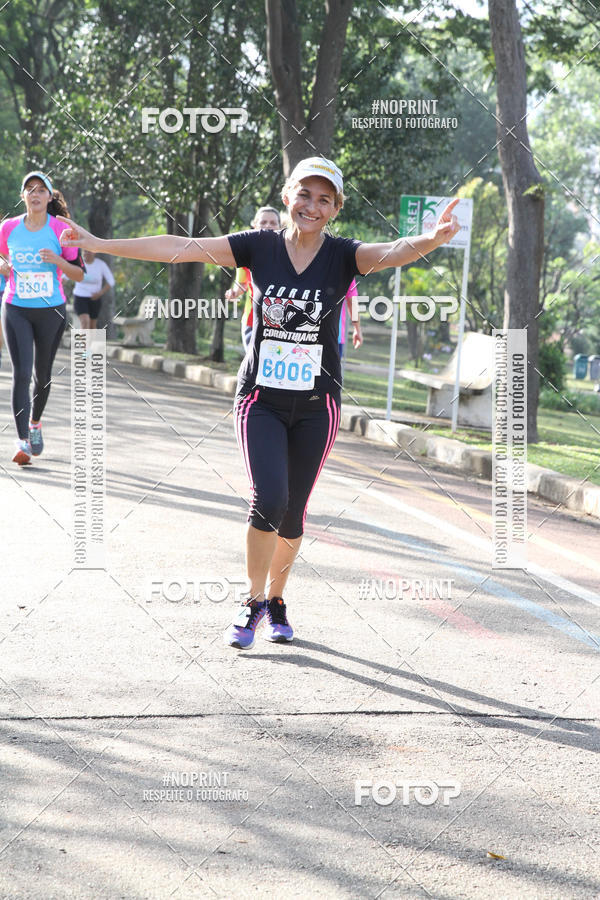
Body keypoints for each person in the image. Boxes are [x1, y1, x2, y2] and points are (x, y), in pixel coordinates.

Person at [57, 156, 460, 648]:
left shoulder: (342, 256)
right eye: (305, 194)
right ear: (288, 195)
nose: (313, 205)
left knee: (293, 514)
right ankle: (252, 602)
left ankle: (277, 599)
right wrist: (98, 244)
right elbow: (181, 248)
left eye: (324, 199)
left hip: (317, 405)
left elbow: (394, 251)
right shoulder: (258, 246)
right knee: (269, 499)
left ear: (335, 208)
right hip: (260, 402)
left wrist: (432, 240)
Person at [0, 171, 84, 465]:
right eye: (29, 190)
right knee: (21, 373)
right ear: (23, 196)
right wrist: (3, 266)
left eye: (40, 190)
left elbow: (79, 273)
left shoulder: (62, 229)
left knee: (42, 377)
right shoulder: (8, 228)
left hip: (51, 310)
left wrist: (58, 260)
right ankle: (22, 440)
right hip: (16, 307)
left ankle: (36, 422)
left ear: (50, 197)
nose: (34, 194)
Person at [225, 206, 281, 350]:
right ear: (254, 226)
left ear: (280, 227)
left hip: (281, 323)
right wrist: (234, 292)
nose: (268, 226)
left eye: (273, 223)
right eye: (263, 222)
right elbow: (242, 283)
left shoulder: (289, 254)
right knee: (254, 366)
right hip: (252, 321)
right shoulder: (245, 255)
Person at [72, 249, 115, 329]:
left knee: (92, 326)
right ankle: (83, 341)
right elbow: (66, 275)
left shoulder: (101, 264)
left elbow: (111, 281)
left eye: (88, 251)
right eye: (84, 251)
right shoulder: (78, 263)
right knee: (85, 321)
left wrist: (100, 293)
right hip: (80, 297)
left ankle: (94, 342)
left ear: (94, 252)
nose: (86, 253)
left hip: (95, 298)